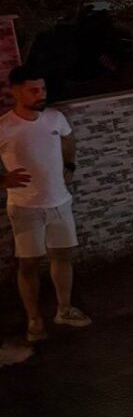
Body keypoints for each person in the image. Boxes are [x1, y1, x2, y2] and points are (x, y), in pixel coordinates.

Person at [0, 66, 92, 342]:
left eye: (43, 88)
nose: (41, 94)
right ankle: (34, 319)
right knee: (28, 264)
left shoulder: (55, 118)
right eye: (33, 90)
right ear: (15, 91)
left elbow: (68, 138)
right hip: (26, 207)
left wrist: (70, 165)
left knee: (63, 256)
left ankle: (63, 309)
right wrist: (3, 179)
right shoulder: (5, 126)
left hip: (60, 201)